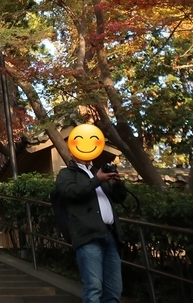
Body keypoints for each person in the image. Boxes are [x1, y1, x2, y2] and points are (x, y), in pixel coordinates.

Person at [56, 125, 128, 303]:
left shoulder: (99, 172)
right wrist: (97, 180)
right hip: (88, 236)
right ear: (72, 151)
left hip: (110, 235)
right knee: (93, 286)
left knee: (114, 290)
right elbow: (72, 192)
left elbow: (119, 198)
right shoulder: (66, 174)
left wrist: (118, 183)